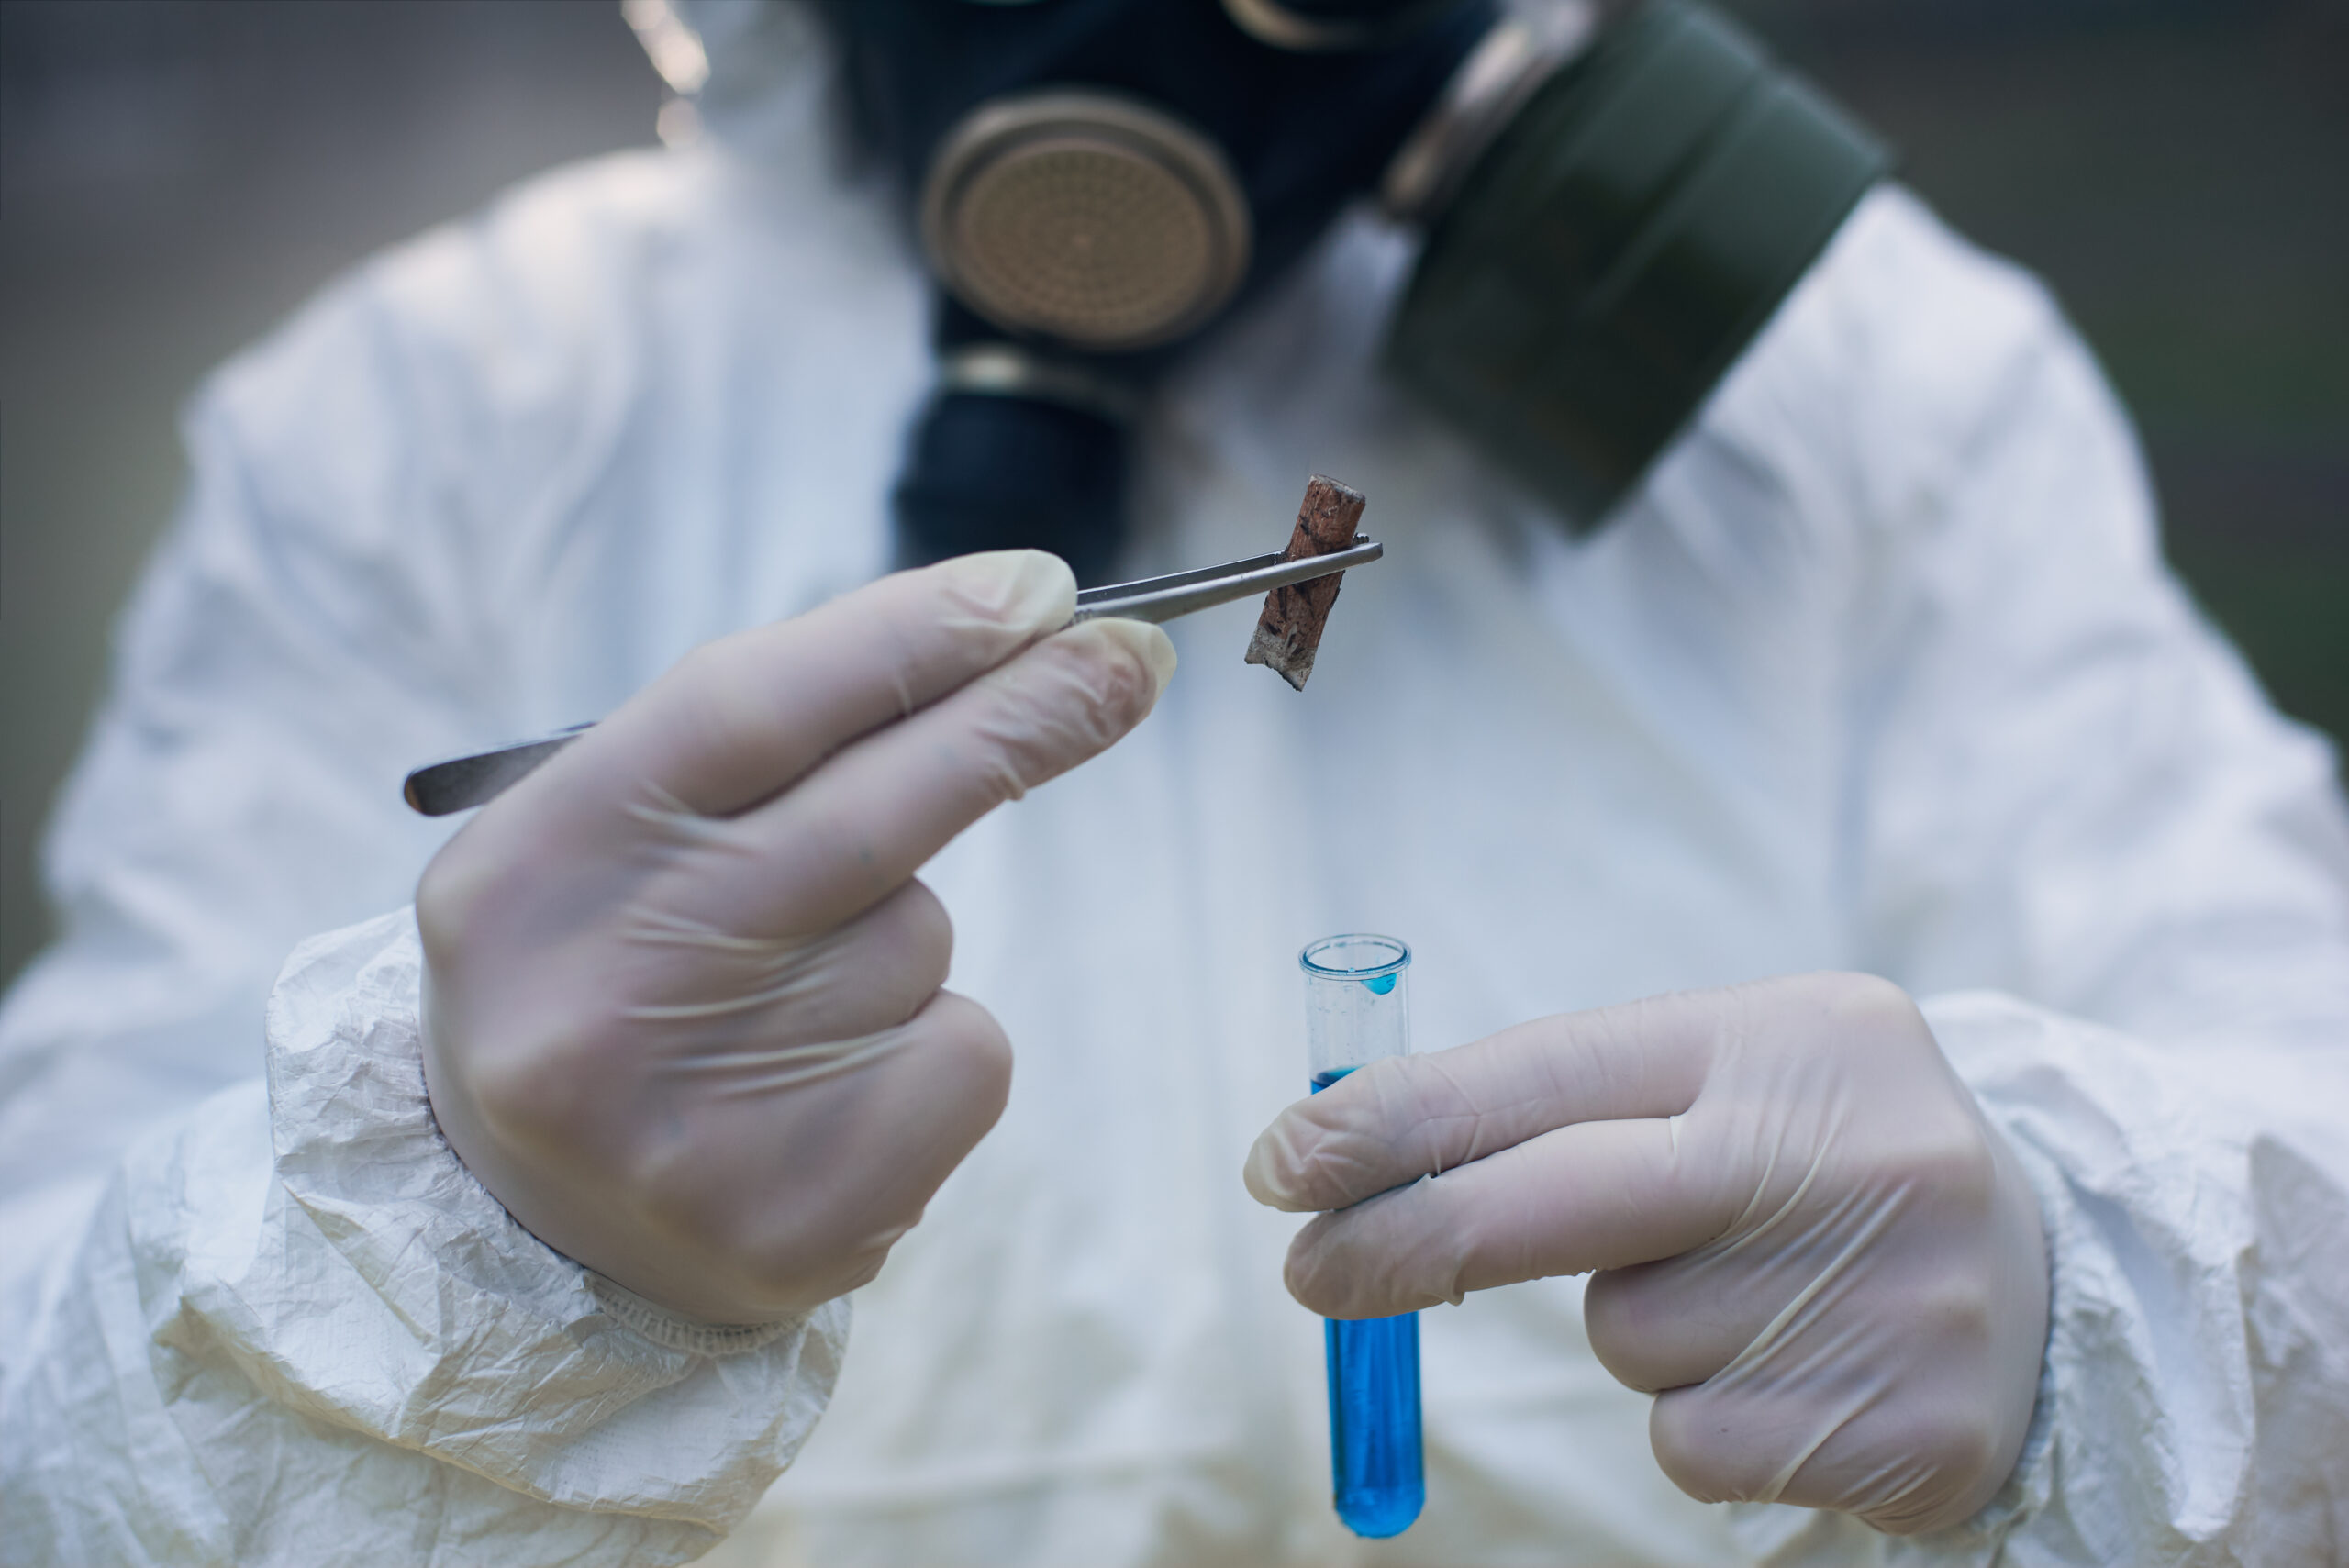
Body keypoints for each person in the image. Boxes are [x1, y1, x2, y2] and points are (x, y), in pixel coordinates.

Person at [3, 1, 2344, 1564]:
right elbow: (52, 1446)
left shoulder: (1853, 388)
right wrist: (447, 1241)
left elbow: (2292, 1099)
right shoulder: (440, 417)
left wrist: (2088, 1288)